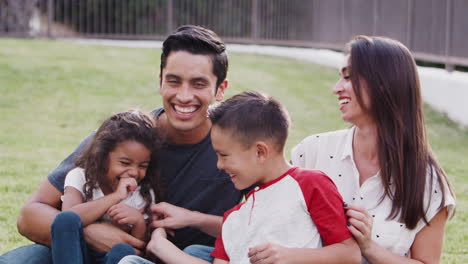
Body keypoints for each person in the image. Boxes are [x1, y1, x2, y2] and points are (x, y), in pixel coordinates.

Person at [0, 25, 243, 264]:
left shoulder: (241, 146)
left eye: (198, 84)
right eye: (174, 81)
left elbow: (274, 220)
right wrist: (91, 233)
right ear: (160, 81)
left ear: (220, 89)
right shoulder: (125, 136)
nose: (184, 96)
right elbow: (30, 216)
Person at [119, 91, 361, 264]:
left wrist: (290, 256)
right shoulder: (235, 217)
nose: (219, 165)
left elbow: (349, 255)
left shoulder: (310, 184)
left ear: (259, 151)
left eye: (224, 155)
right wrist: (161, 246)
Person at [291, 35, 456, 263]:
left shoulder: (428, 183)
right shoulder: (311, 152)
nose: (336, 88)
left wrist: (369, 247)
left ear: (384, 83)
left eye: (348, 77)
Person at [50, 109, 164, 264]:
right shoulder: (80, 176)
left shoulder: (143, 192)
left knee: (123, 250)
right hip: (77, 254)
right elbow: (71, 218)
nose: (134, 172)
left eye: (142, 166)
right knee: (65, 219)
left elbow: (139, 250)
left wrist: (138, 222)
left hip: (112, 258)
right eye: (125, 163)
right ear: (103, 156)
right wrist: (116, 196)